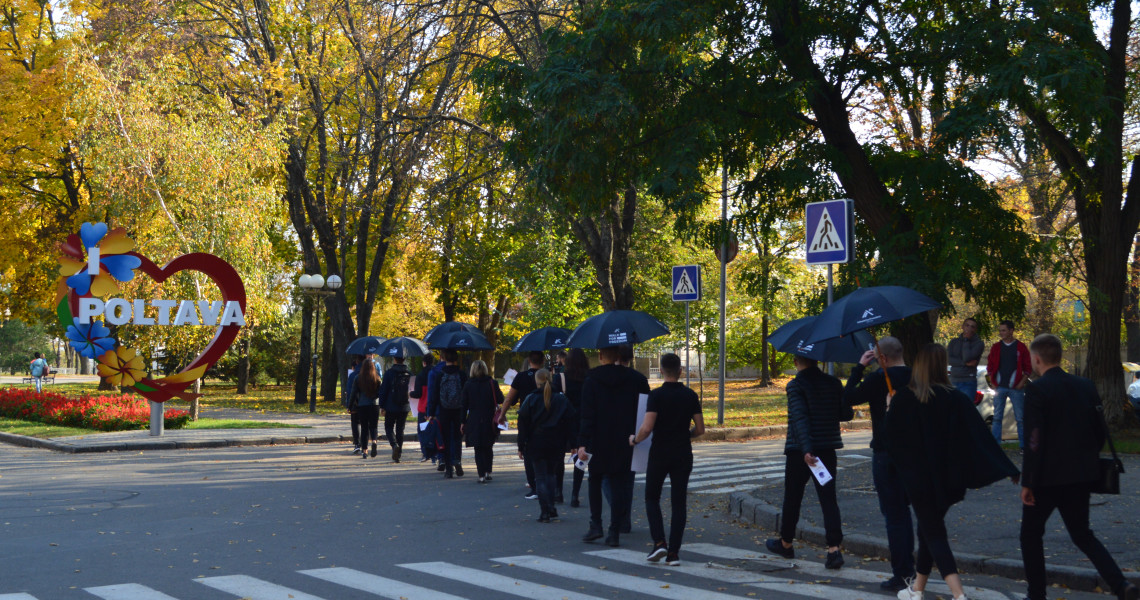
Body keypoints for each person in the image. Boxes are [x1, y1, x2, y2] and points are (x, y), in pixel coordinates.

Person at [890, 343, 1019, 600]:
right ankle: (917, 590)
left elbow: (891, 441)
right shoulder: (957, 398)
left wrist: (889, 408)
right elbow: (980, 437)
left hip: (919, 480)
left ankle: (958, 595)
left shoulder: (905, 398)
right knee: (928, 530)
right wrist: (1008, 468)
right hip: (949, 480)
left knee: (933, 532)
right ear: (943, 366)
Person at [1019, 334, 1139, 600]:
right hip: (1080, 474)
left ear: (1036, 358)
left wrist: (1028, 481)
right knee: (1083, 535)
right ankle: (1120, 585)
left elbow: (1034, 440)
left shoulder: (1037, 390)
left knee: (1030, 535)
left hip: (1046, 478)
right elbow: (1100, 431)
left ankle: (1036, 594)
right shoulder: (1085, 385)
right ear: (1060, 356)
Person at [844, 336, 914, 592]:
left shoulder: (877, 379)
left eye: (875, 358)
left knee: (894, 515)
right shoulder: (916, 376)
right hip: (913, 454)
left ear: (881, 358)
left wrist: (860, 367)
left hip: (886, 453)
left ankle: (903, 573)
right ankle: (911, 566)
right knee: (906, 512)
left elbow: (848, 398)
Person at [765, 354, 845, 570]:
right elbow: (845, 413)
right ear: (818, 360)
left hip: (800, 452)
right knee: (828, 500)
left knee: (792, 498)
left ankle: (786, 543)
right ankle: (834, 550)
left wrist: (806, 449)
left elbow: (799, 418)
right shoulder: (834, 383)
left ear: (795, 362)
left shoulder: (796, 385)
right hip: (826, 451)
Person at [631, 353, 704, 566]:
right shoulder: (690, 395)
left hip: (660, 453)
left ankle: (659, 542)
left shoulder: (656, 396)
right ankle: (674, 553)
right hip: (682, 453)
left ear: (661, 370)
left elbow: (646, 428)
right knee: (679, 502)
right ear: (681, 371)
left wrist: (634, 440)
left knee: (652, 497)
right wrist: (686, 435)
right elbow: (700, 429)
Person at [577, 345, 645, 547]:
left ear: (600, 356)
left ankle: (595, 524)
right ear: (618, 356)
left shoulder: (591, 381)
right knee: (619, 485)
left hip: (598, 440)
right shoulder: (636, 380)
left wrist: (582, 442)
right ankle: (615, 530)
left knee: (595, 482)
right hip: (625, 440)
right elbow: (644, 411)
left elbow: (587, 415)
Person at [518, 368, 576, 522]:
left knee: (540, 477)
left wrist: (521, 444)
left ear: (536, 381)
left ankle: (545, 510)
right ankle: (551, 506)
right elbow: (571, 420)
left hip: (536, 441)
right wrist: (574, 443)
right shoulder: (561, 399)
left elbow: (522, 422)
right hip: (556, 441)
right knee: (551, 474)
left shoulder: (530, 398)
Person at [501, 351, 544, 499]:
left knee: (527, 451)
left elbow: (509, 399)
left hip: (527, 418)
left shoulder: (521, 377)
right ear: (543, 361)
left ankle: (533, 485)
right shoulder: (548, 376)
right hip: (546, 417)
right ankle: (547, 482)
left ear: (529, 361)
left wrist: (501, 414)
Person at [985, 320, 1031, 447]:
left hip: (1016, 388)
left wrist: (1022, 382)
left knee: (1020, 418)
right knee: (997, 417)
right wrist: (993, 383)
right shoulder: (996, 347)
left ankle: (1023, 446)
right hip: (999, 387)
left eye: (1004, 330)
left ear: (1011, 331)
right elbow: (990, 366)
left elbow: (1028, 367)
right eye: (1000, 330)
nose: (1001, 333)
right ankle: (996, 446)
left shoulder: (1021, 347)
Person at [460, 359, 503, 482]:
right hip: (489, 418)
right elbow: (500, 399)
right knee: (488, 446)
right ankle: (488, 471)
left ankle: (481, 474)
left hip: (474, 419)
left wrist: (462, 421)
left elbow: (464, 405)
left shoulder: (468, 384)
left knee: (478, 448)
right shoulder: (492, 383)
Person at [557, 348, 589, 507]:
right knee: (580, 456)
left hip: (564, 421)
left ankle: (558, 490)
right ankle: (575, 493)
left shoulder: (561, 378)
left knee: (558, 457)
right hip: (582, 420)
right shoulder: (589, 378)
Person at [428, 349, 468, 478]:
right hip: (458, 409)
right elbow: (466, 394)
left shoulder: (440, 375)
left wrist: (432, 412)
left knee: (445, 438)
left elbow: (434, 395)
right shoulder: (461, 374)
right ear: (456, 359)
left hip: (444, 409)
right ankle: (458, 461)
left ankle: (448, 469)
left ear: (444, 358)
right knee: (457, 437)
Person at [378, 353, 413, 462]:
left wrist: (382, 405)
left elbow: (383, 390)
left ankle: (394, 445)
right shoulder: (409, 373)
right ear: (404, 360)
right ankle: (399, 453)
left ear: (394, 359)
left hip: (391, 405)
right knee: (400, 429)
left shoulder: (389, 373)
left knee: (388, 427)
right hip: (404, 406)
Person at [352, 359, 382, 460]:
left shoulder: (358, 378)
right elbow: (380, 393)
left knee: (364, 428)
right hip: (374, 405)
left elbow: (353, 393)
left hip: (362, 405)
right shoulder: (377, 378)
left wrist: (350, 406)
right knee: (374, 426)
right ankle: (374, 441)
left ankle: (364, 450)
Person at [409, 354, 437, 464]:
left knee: (422, 431)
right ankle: (435, 455)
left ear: (424, 362)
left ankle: (426, 453)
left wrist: (410, 393)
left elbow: (418, 393)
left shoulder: (420, 375)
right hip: (433, 406)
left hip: (423, 407)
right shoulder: (436, 373)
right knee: (434, 431)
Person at [947, 317, 984, 399]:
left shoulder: (979, 343)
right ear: (963, 326)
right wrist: (964, 363)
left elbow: (967, 358)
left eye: (972, 327)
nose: (969, 328)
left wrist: (966, 340)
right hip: (953, 380)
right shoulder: (954, 342)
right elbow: (949, 359)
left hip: (968, 381)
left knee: (965, 409)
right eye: (967, 325)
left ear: (975, 329)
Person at [344, 357, 364, 455]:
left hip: (356, 403)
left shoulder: (352, 375)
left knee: (355, 423)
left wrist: (349, 405)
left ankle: (357, 444)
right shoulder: (372, 374)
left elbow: (350, 391)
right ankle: (367, 444)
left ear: (357, 362)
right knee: (366, 424)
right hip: (368, 403)